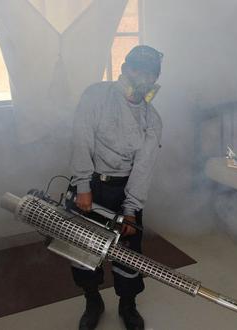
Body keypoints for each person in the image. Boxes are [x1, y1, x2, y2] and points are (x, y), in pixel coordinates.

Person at [70, 45, 163, 330]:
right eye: (138, 70)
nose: (143, 77)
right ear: (125, 68)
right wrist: (83, 184)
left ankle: (128, 305)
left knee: (128, 250)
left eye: (150, 73)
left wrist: (131, 210)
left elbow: (143, 169)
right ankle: (92, 300)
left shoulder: (151, 119)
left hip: (124, 189)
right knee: (84, 249)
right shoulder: (96, 95)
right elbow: (81, 138)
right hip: (92, 183)